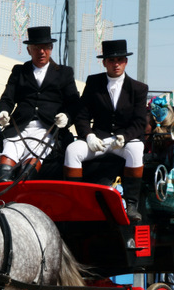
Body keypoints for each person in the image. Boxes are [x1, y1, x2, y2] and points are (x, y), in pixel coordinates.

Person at [63, 39, 148, 223]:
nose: (116, 64)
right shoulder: (94, 82)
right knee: (72, 150)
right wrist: (89, 135)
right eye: (111, 60)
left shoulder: (139, 88)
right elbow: (81, 116)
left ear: (126, 61)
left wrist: (125, 137)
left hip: (123, 142)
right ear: (104, 63)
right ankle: (74, 201)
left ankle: (132, 204)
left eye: (120, 60)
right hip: (99, 140)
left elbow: (140, 122)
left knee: (136, 149)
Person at [0, 26, 81, 181]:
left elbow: (74, 103)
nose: (41, 52)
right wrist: (3, 111)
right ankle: (2, 188)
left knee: (27, 170)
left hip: (47, 129)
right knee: (5, 167)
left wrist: (67, 116)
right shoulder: (19, 71)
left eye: (45, 47)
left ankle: (24, 185)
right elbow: (7, 98)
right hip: (19, 127)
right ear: (29, 50)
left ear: (51, 48)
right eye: (36, 48)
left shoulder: (64, 72)